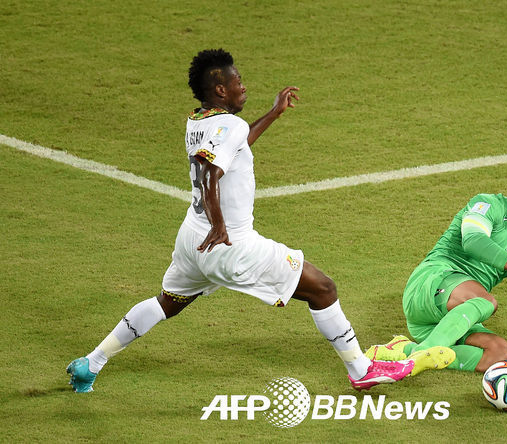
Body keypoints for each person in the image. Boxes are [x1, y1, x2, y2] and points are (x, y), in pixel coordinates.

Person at [66, 48, 422, 393]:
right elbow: (211, 173)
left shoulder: (199, 120)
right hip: (229, 243)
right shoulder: (230, 125)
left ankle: (91, 363)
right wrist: (220, 225)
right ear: (221, 89)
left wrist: (272, 114)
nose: (244, 86)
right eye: (238, 81)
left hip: (192, 239)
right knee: (323, 289)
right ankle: (361, 370)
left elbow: (235, 145)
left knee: (166, 303)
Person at [365, 161, 507, 373]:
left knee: (501, 355)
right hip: (429, 284)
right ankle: (416, 360)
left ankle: (404, 350)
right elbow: (473, 240)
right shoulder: (488, 205)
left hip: (445, 320)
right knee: (486, 301)